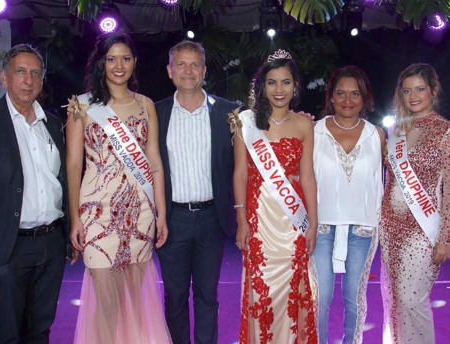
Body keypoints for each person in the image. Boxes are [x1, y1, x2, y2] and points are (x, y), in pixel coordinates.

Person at [0, 44, 67, 343]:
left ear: (42, 81)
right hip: (8, 247)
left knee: (41, 328)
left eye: (35, 74)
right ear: (4, 78)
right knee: (8, 331)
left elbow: (63, 181)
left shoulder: (54, 124)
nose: (28, 80)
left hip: (52, 244)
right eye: (20, 72)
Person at [66, 32, 171, 344]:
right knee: (106, 303)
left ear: (134, 62)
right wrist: (74, 218)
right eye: (111, 59)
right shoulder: (82, 107)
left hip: (140, 212)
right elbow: (73, 165)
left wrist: (161, 214)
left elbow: (154, 162)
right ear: (101, 63)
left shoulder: (146, 105)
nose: (119, 65)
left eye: (125, 58)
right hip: (97, 213)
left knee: (134, 302)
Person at [154, 40, 239, 344]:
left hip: (211, 219)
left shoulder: (230, 113)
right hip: (172, 219)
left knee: (207, 296)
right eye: (181, 64)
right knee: (175, 296)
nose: (187, 71)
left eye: (194, 65)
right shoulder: (155, 113)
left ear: (204, 70)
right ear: (169, 70)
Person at [231, 50, 318, 343]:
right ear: (261, 86)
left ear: (295, 86)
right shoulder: (245, 122)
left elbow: (307, 178)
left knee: (293, 292)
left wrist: (313, 225)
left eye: (286, 82)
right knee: (261, 294)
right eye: (272, 82)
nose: (279, 90)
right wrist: (241, 220)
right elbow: (240, 174)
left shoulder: (305, 124)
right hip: (259, 223)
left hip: (293, 224)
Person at [379, 63, 450, 343]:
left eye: (420, 89)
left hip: (423, 230)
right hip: (390, 227)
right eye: (407, 91)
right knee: (392, 298)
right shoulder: (396, 132)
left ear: (433, 91)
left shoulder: (447, 132)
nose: (413, 96)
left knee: (411, 299)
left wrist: (445, 237)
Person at [311, 65, 385, 344]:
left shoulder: (376, 135)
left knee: (355, 297)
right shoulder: (313, 130)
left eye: (355, 94)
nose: (347, 100)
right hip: (321, 227)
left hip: (363, 228)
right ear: (331, 97)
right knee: (321, 298)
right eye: (340, 93)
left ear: (365, 98)